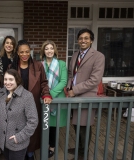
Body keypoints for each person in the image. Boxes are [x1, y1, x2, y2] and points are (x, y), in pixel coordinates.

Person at [10, 40, 52, 160]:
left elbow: (44, 83)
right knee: (18, 130)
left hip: (32, 104)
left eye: (27, 52)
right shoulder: (12, 66)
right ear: (17, 53)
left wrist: (46, 95)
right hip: (16, 105)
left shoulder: (38, 65)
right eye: (22, 52)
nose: (25, 54)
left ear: (30, 52)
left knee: (31, 131)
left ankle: (30, 154)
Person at [66, 28, 105, 160]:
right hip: (73, 96)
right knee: (76, 124)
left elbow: (94, 80)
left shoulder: (99, 56)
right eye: (81, 38)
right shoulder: (75, 55)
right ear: (78, 40)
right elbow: (71, 74)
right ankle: (80, 148)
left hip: (87, 97)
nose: (83, 40)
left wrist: (74, 90)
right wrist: (68, 87)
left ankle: (83, 154)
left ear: (91, 40)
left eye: (86, 38)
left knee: (85, 126)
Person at [0, 69, 38, 160]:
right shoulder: (1, 93)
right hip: (3, 140)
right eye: (5, 79)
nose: (7, 82)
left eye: (11, 79)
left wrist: (19, 137)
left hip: (18, 142)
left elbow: (33, 121)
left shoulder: (27, 96)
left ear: (17, 80)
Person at [40, 40, 68, 158]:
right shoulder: (40, 64)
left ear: (55, 50)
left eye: (51, 48)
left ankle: (52, 146)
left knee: (53, 125)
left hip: (56, 98)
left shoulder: (61, 64)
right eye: (47, 49)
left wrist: (50, 93)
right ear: (43, 51)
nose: (49, 51)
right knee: (45, 123)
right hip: (43, 98)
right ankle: (44, 144)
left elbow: (63, 81)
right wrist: (45, 94)